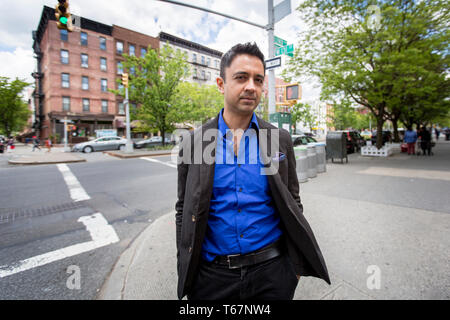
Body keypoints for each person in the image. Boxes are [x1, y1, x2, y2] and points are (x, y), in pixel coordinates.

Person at [175, 42, 330, 301]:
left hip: (273, 274)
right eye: (241, 77)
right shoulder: (195, 142)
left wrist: (292, 269)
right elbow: (184, 209)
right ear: (221, 84)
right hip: (211, 279)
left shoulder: (278, 139)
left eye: (258, 80)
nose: (251, 86)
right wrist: (185, 264)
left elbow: (293, 202)